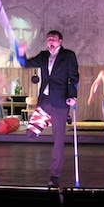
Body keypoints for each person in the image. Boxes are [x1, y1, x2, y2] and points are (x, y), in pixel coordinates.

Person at [16, 30, 79, 188]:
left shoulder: (68, 55)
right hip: (45, 100)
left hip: (60, 101)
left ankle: (55, 174)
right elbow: (25, 64)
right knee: (30, 134)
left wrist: (73, 96)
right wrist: (21, 53)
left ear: (60, 41)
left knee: (58, 140)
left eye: (54, 39)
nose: (51, 41)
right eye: (49, 39)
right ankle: (48, 118)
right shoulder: (43, 55)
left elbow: (74, 77)